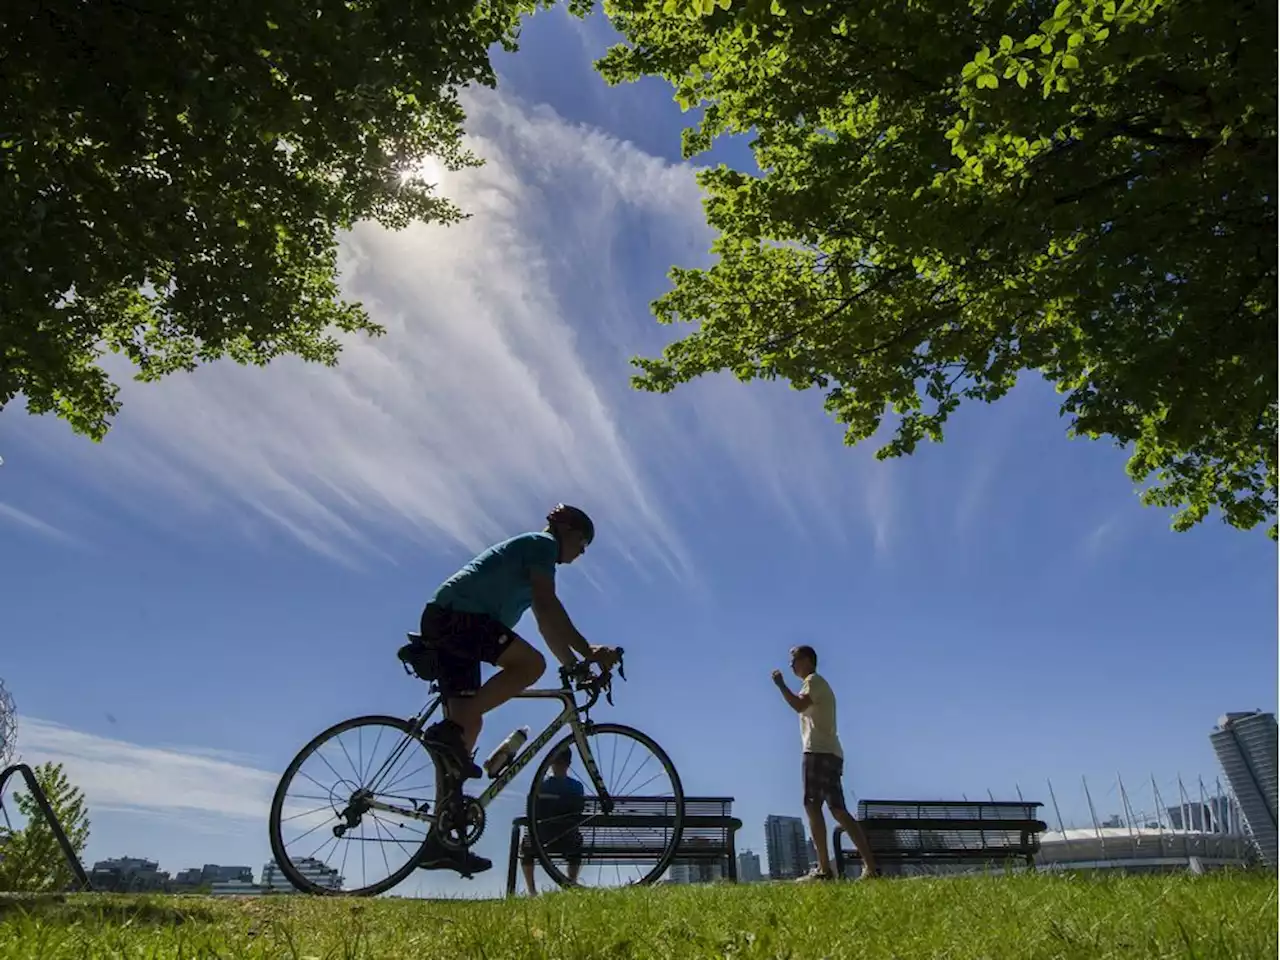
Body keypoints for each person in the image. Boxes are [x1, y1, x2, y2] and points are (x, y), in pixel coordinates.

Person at [412, 503, 619, 877]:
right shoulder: (541, 547)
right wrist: (588, 651)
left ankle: (440, 842)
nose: (583, 552)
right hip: (460, 618)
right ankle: (447, 738)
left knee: (463, 733)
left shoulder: (535, 563)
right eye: (584, 542)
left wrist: (573, 666)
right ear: (566, 531)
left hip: (452, 622)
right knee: (531, 665)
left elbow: (546, 623)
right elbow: (547, 604)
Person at [771, 645, 880, 882]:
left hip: (817, 751)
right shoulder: (817, 683)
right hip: (831, 752)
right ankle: (871, 867)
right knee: (838, 810)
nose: (791, 665)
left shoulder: (814, 681)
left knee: (812, 804)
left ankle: (823, 869)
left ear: (808, 660)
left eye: (795, 660)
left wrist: (780, 685)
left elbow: (799, 705)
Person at [521, 748, 586, 895]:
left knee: (526, 846)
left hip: (541, 840)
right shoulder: (577, 787)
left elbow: (532, 814)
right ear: (569, 763)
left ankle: (532, 891)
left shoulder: (541, 786)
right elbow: (579, 813)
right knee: (577, 842)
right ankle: (571, 883)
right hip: (569, 840)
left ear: (551, 762)